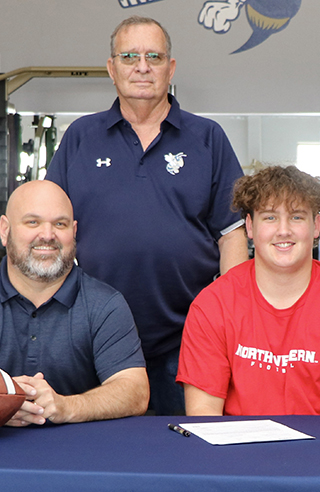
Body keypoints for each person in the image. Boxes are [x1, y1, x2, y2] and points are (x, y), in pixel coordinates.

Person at [45, 16, 248, 415]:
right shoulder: (80, 138)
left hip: (186, 337)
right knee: (98, 457)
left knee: (186, 456)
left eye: (154, 56)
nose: (142, 66)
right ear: (111, 67)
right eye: (130, 56)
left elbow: (232, 233)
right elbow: (50, 229)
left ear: (170, 68)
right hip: (93, 336)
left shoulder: (207, 138)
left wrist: (228, 318)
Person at [0, 180, 149, 427]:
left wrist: (67, 406)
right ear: (4, 229)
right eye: (32, 222)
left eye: (60, 224)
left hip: (82, 456)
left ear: (74, 231)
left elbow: (135, 392)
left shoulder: (106, 304)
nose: (47, 235)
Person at [176, 166, 320, 416]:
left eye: (297, 217)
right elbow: (204, 418)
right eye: (269, 217)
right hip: (237, 451)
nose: (283, 230)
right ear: (250, 227)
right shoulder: (212, 306)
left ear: (317, 226)